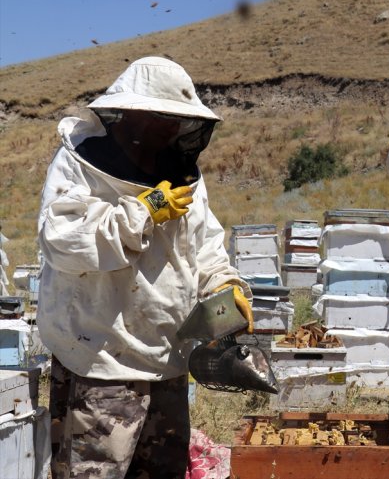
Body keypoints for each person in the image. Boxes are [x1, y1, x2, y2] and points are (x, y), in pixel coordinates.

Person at [37, 56, 253, 479]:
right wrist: (142, 212)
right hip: (103, 363)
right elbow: (62, 240)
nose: (172, 130)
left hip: (169, 359)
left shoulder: (184, 173)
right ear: (132, 117)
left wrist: (226, 285)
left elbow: (204, 244)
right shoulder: (78, 166)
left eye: (180, 122)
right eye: (162, 119)